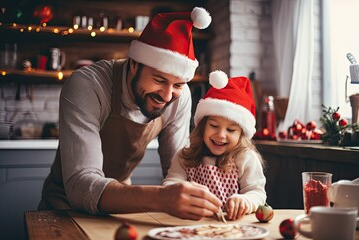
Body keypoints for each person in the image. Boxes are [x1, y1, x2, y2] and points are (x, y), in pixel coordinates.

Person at [38, 7, 223, 220]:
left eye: (178, 84)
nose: (167, 95)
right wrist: (161, 198)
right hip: (62, 209)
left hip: (119, 208)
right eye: (159, 80)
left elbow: (177, 169)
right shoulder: (88, 85)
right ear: (134, 64)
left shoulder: (178, 98)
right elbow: (81, 185)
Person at [163, 70, 267, 220]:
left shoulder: (245, 158)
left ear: (241, 134)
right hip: (190, 225)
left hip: (233, 228)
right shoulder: (185, 156)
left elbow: (257, 193)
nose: (221, 135)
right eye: (213, 125)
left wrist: (245, 201)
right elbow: (172, 183)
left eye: (231, 130)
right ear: (202, 126)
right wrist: (178, 194)